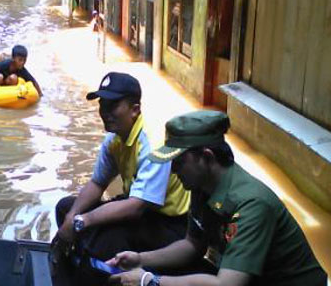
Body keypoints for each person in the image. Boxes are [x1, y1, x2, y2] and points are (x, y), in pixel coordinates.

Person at [108, 110, 328, 286]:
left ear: (206, 157)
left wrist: (151, 281)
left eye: (179, 162)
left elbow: (228, 284)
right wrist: (141, 259)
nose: (173, 170)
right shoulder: (200, 186)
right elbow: (192, 245)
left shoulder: (252, 204)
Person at [52, 72, 190, 285]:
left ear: (135, 110)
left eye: (113, 106)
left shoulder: (152, 143)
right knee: (65, 207)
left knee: (103, 237)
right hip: (140, 211)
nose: (105, 113)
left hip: (170, 224)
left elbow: (136, 207)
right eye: (102, 105)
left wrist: (82, 221)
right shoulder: (114, 140)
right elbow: (97, 183)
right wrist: (72, 217)